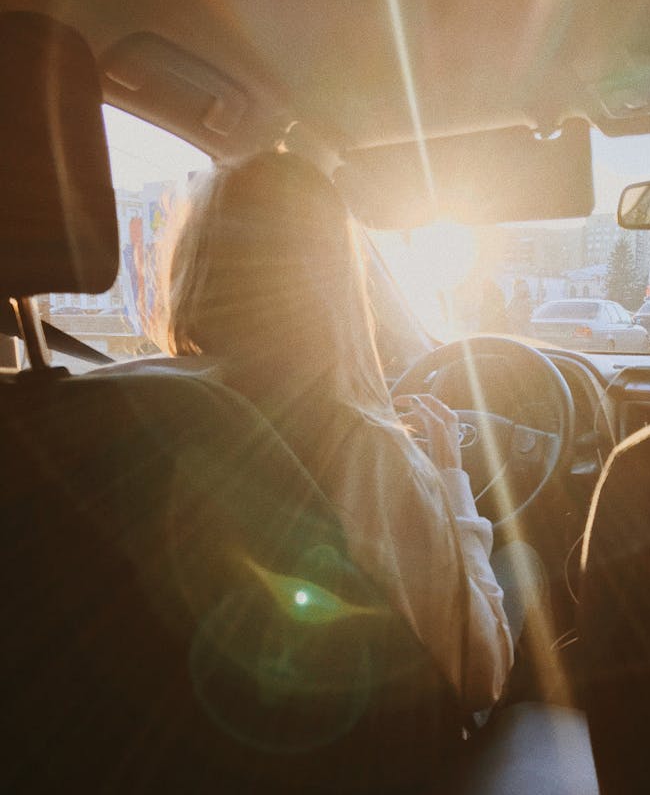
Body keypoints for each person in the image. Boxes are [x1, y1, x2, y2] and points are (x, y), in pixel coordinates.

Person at [166, 151, 517, 714]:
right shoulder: (367, 452)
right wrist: (450, 480)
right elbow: (483, 675)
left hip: (198, 746)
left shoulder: (141, 400)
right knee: (522, 572)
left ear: (196, 262)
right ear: (332, 280)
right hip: (360, 776)